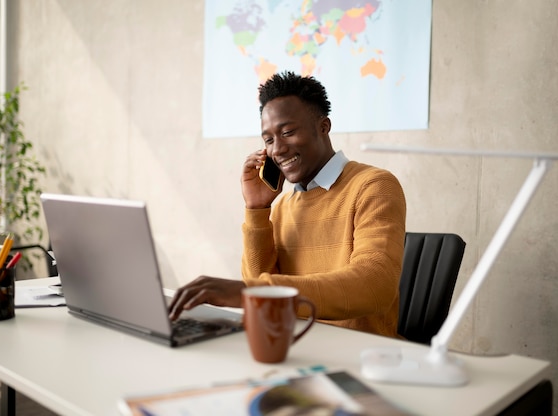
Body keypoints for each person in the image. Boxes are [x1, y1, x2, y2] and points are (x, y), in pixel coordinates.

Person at [168, 71, 406, 337]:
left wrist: (246, 291)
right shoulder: (282, 207)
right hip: (293, 344)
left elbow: (375, 285)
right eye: (269, 140)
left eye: (288, 132)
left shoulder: (373, 185)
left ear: (324, 126)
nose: (277, 149)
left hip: (357, 353)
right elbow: (262, 300)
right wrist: (257, 210)